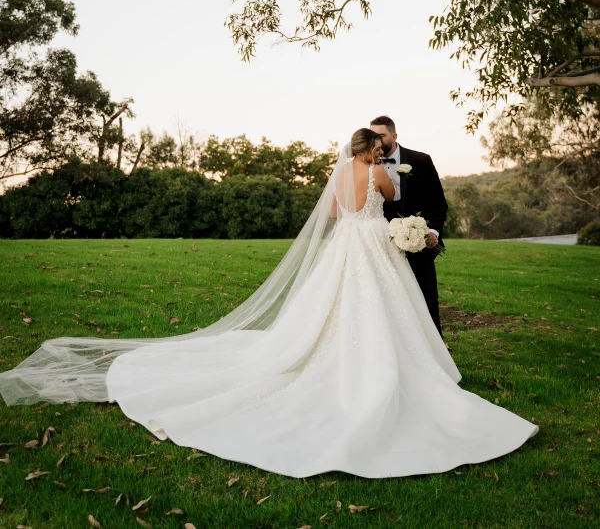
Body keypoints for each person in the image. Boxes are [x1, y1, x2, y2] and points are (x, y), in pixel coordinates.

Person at [0, 128, 538, 479]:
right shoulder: (379, 174)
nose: (379, 153)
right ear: (369, 149)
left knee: (334, 307)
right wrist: (390, 189)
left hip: (347, 246)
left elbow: (332, 218)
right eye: (376, 147)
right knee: (382, 308)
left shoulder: (338, 176)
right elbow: (392, 203)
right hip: (374, 245)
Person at [370, 115, 447, 337]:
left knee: (427, 297)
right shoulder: (366, 165)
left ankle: (438, 346)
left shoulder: (421, 161)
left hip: (417, 241)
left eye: (381, 135)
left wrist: (431, 232)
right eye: (373, 135)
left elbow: (438, 204)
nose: (376, 139)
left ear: (394, 136)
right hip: (379, 242)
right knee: (387, 299)